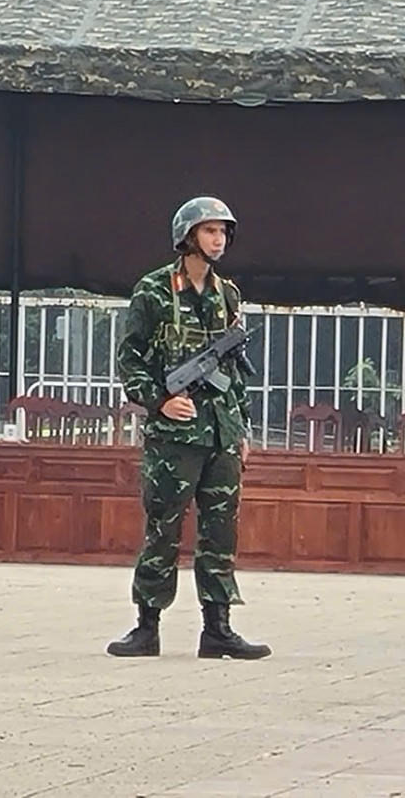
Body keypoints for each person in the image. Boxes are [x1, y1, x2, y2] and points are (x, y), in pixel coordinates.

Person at [106, 196, 271, 660]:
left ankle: (218, 629)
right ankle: (146, 627)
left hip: (220, 434)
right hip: (174, 438)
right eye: (209, 231)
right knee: (163, 529)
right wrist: (160, 400)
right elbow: (130, 358)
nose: (218, 240)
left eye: (222, 232)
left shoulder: (227, 294)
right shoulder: (154, 291)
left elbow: (233, 371)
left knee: (220, 533)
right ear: (188, 236)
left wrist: (240, 429)